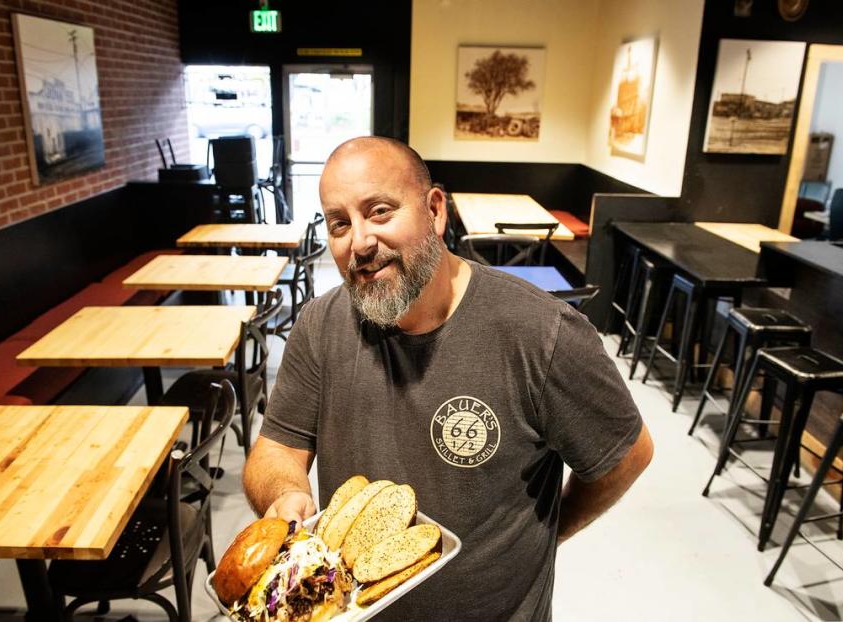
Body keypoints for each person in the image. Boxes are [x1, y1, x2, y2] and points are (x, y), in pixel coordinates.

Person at [243, 136, 653, 621]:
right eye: (339, 224)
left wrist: (549, 529)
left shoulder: (542, 333)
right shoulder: (320, 325)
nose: (359, 242)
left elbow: (626, 456)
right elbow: (276, 450)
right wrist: (285, 492)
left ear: (435, 210)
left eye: (379, 212)